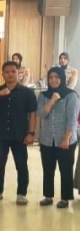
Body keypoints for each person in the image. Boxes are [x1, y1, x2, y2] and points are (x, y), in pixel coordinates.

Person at [0, 61, 37, 204]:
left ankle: (21, 194)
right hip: (0, 134)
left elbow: (32, 114)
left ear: (19, 73)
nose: (10, 74)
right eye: (7, 72)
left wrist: (31, 133)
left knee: (21, 165)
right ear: (3, 74)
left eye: (13, 71)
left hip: (20, 135)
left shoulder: (27, 93)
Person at [38, 67, 80, 209]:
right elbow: (42, 114)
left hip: (65, 139)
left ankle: (65, 198)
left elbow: (72, 119)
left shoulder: (71, 95)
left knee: (65, 169)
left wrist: (66, 138)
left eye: (57, 77)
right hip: (47, 139)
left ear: (62, 78)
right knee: (48, 169)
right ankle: (48, 196)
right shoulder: (43, 95)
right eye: (51, 77)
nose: (54, 80)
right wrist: (52, 100)